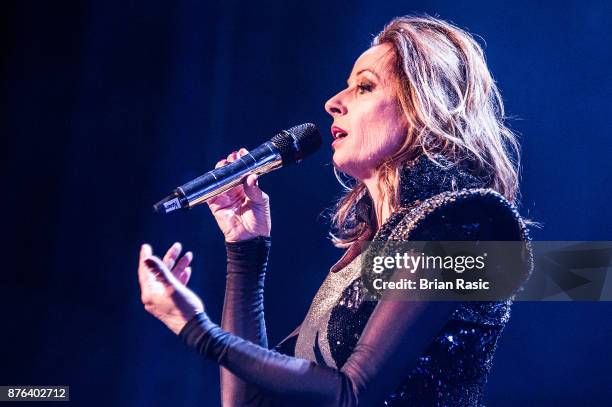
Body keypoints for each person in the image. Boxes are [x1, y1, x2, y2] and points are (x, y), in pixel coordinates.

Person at [137, 15, 532, 406]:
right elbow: (246, 404)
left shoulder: (465, 222)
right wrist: (245, 251)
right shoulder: (369, 252)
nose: (333, 103)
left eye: (363, 87)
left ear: (421, 106)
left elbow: (352, 394)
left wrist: (197, 329)